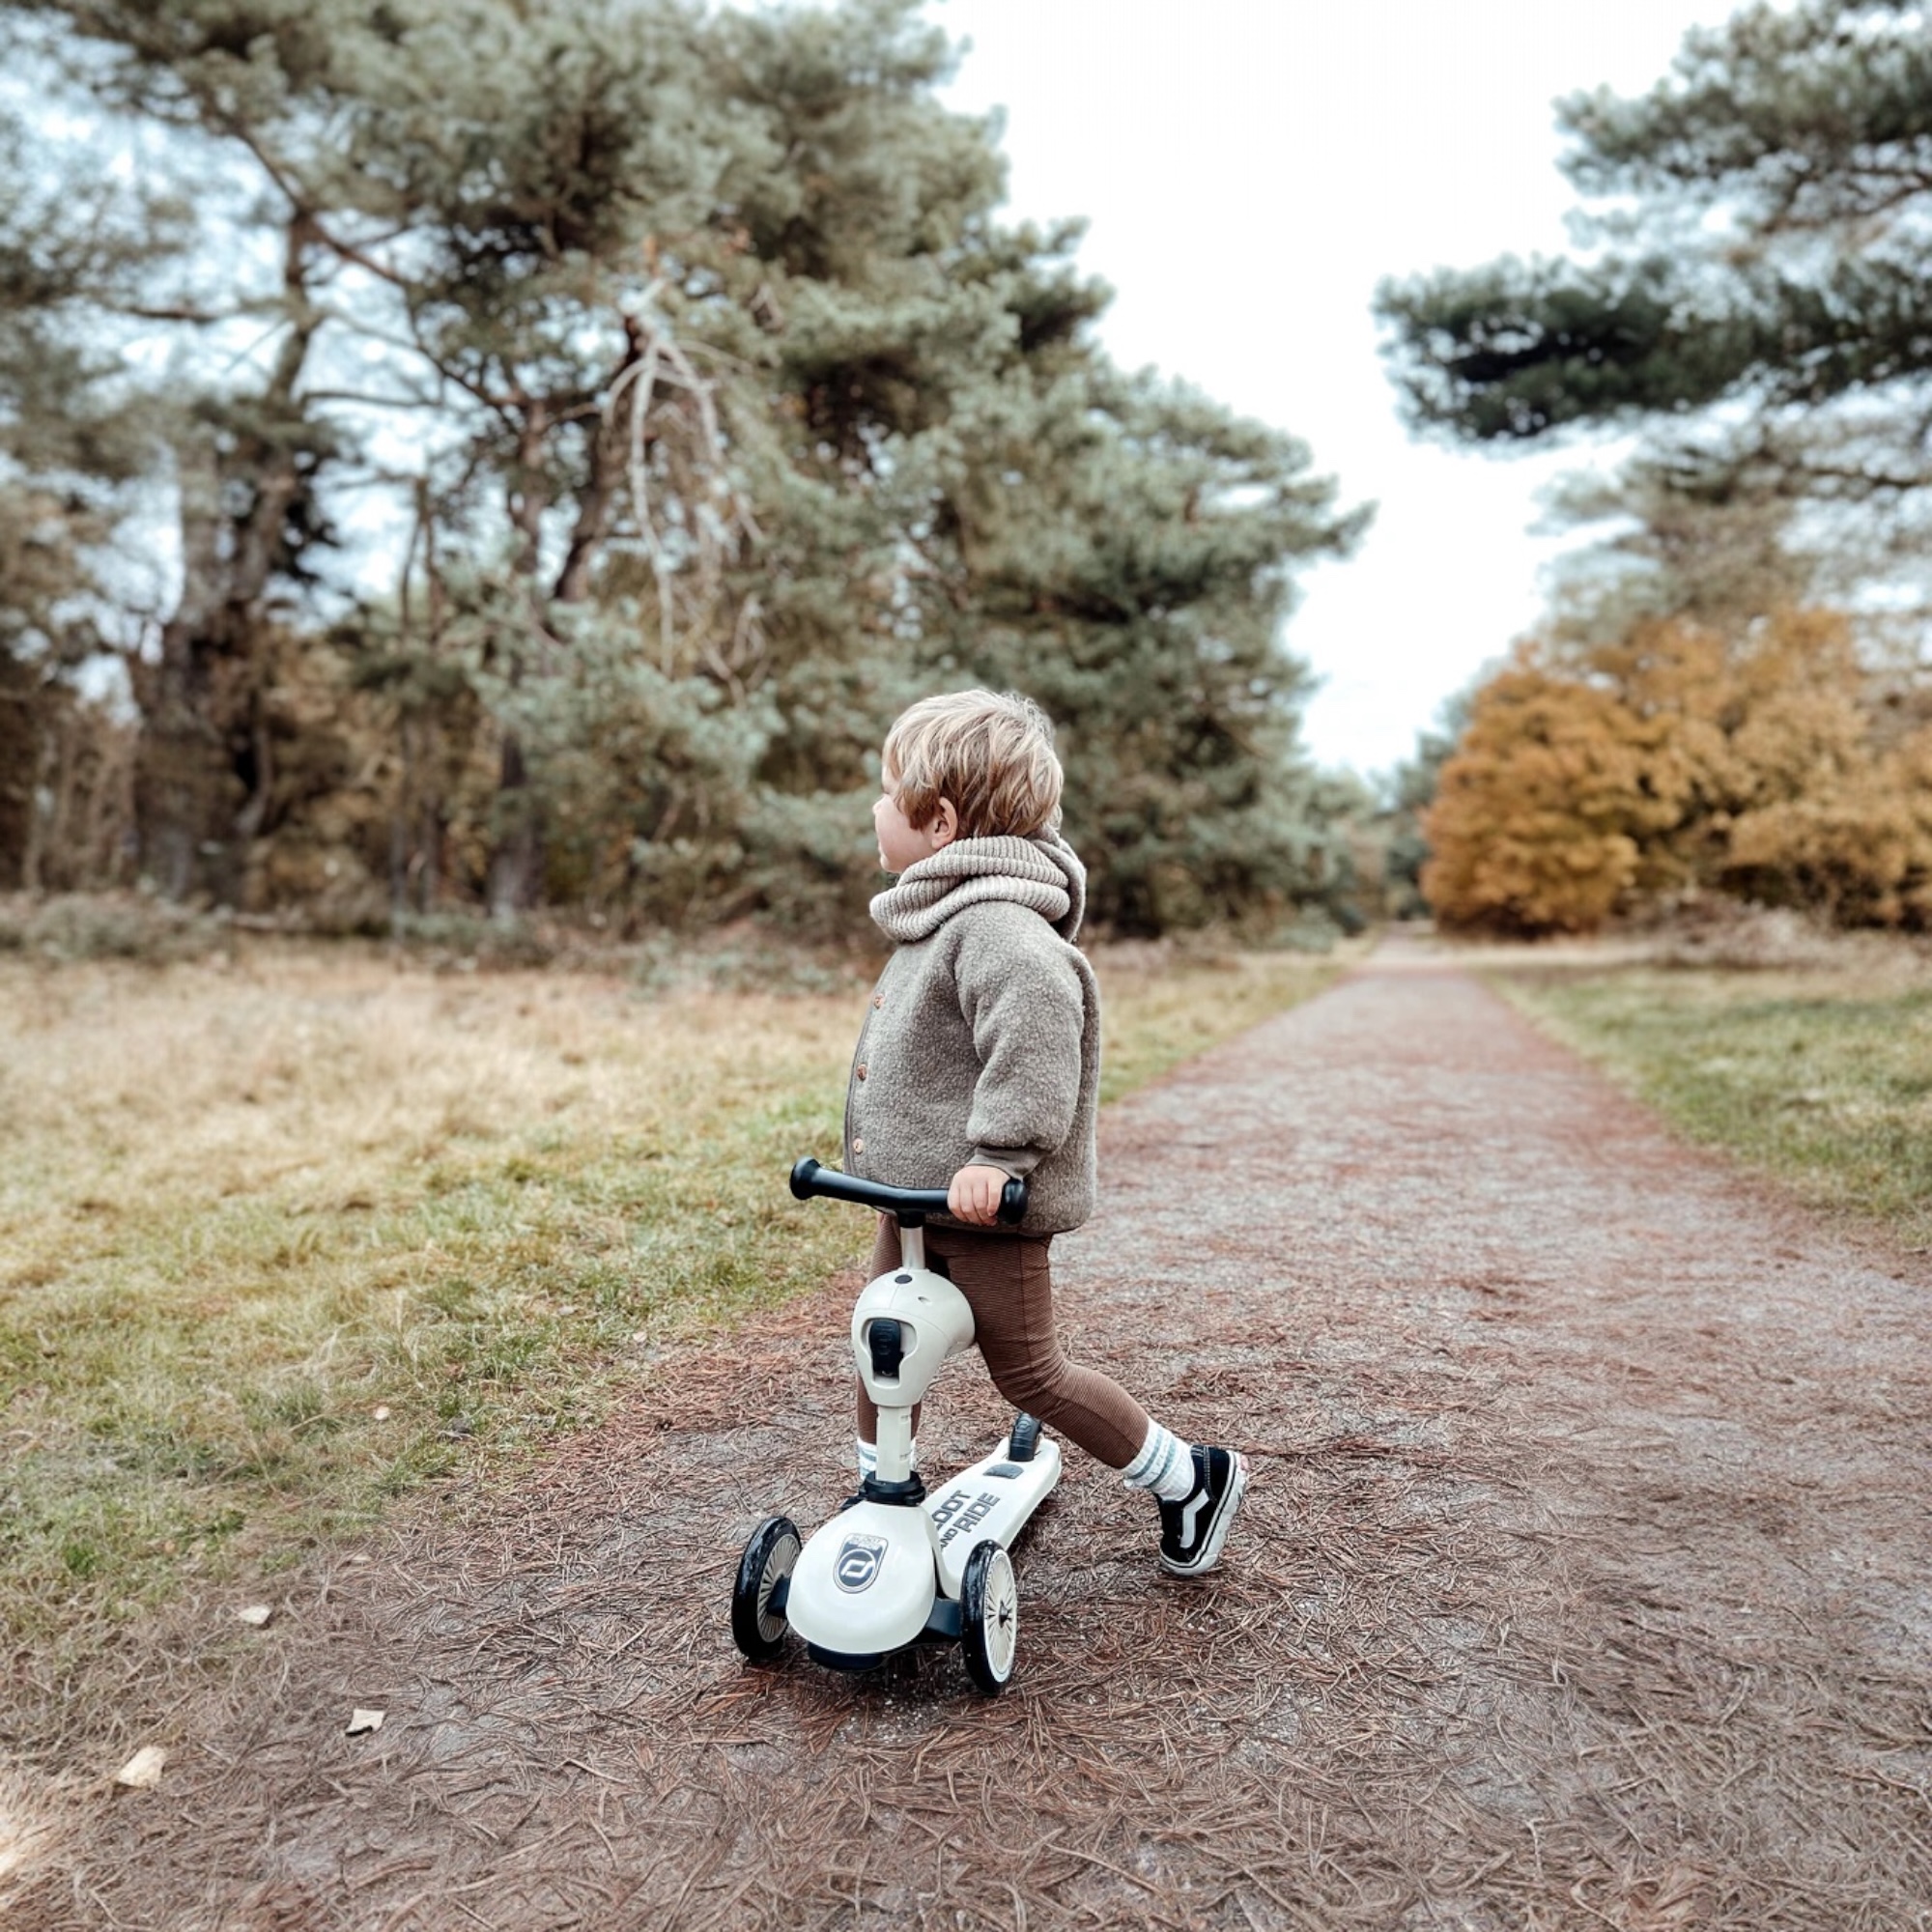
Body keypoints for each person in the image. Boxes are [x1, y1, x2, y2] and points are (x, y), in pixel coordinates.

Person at [842, 688, 1247, 1577]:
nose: (872, 809)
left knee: (1029, 1375)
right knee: (881, 1345)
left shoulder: (1001, 932)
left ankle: (1190, 1477)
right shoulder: (939, 916)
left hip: (985, 1207)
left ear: (939, 820)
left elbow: (1033, 1045)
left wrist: (1000, 1157)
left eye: (883, 791)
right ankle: (881, 1494)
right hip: (912, 1199)